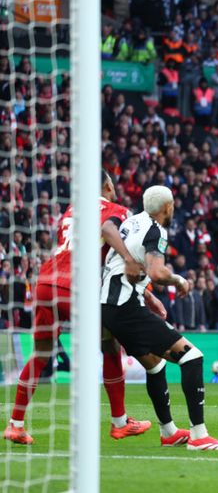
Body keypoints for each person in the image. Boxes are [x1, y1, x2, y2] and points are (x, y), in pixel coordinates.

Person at [4, 171, 152, 445]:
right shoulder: (118, 210)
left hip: (46, 281)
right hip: (76, 284)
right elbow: (108, 234)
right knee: (109, 346)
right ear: (108, 185)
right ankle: (120, 422)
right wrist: (132, 261)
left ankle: (15, 424)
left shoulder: (72, 210)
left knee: (41, 353)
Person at [101, 185, 218, 451]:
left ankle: (169, 432)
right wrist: (179, 280)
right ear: (168, 207)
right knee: (192, 357)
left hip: (107, 306)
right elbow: (158, 272)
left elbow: (107, 230)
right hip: (126, 308)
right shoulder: (156, 230)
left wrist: (148, 296)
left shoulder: (129, 221)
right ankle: (199, 436)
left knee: (155, 365)